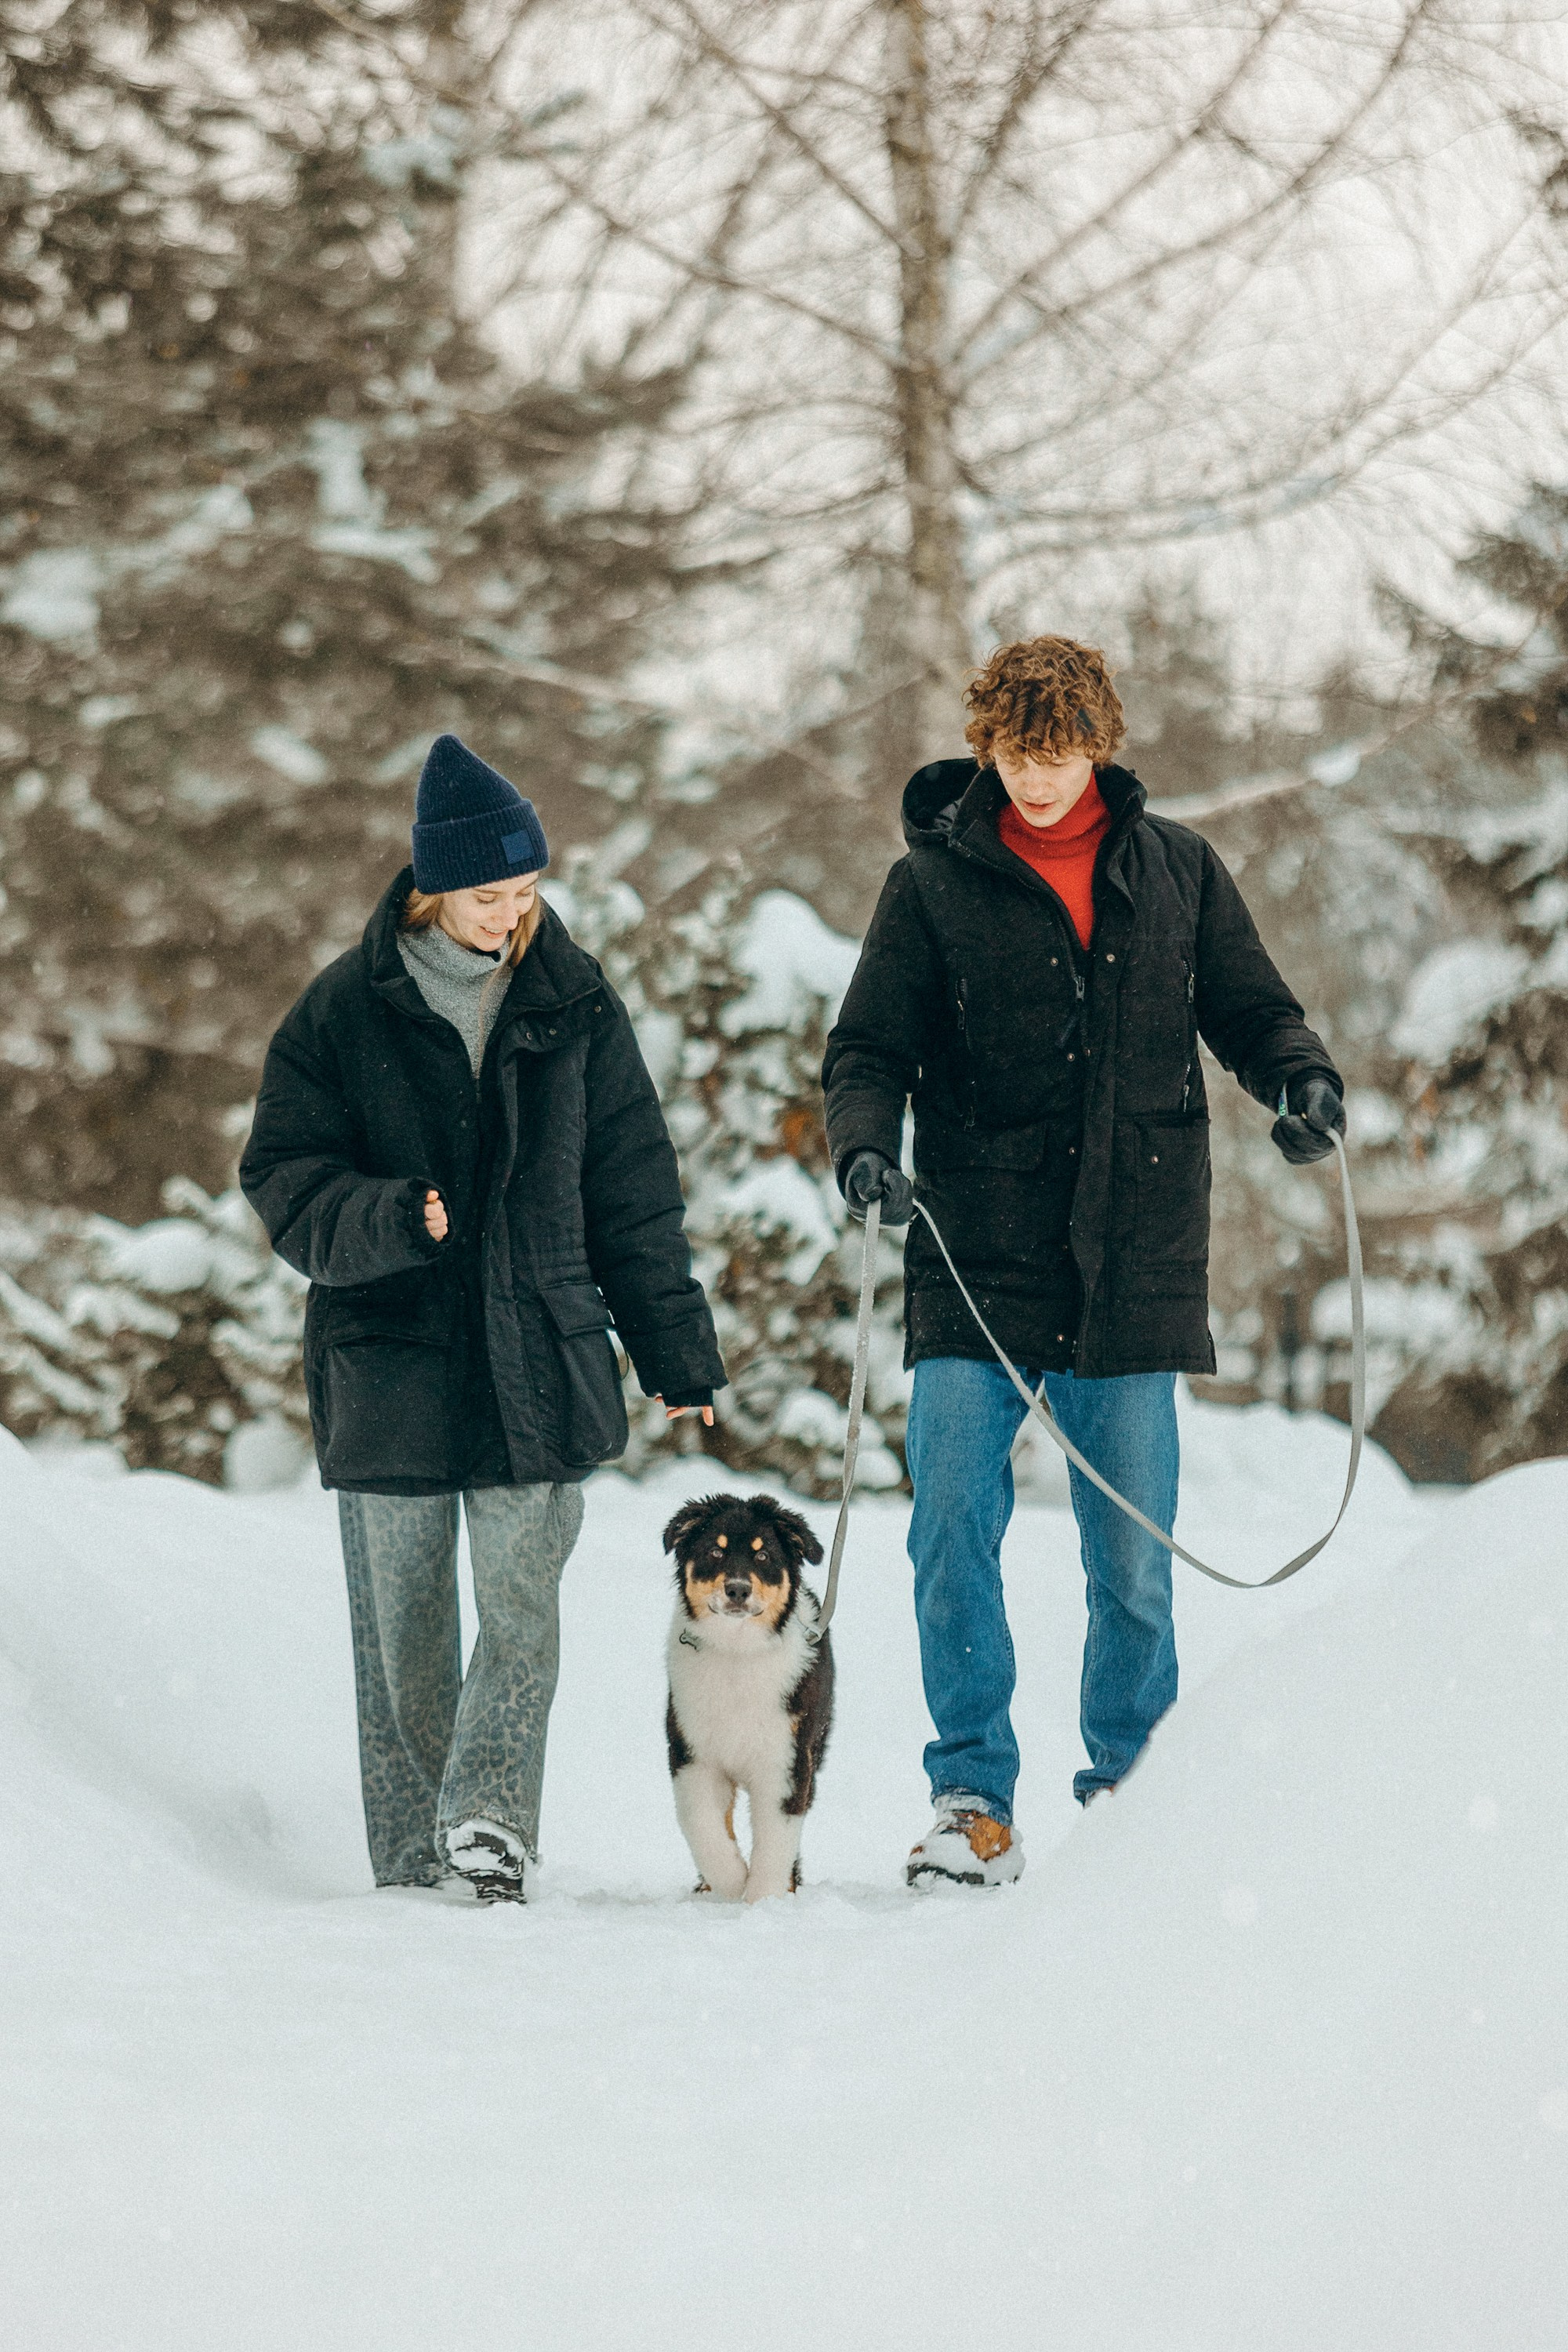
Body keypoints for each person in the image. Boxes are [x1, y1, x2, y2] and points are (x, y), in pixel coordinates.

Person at [822, 637, 1344, 1888]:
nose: (1037, 779)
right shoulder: (934, 882)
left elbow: (1252, 1010)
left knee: (1131, 1557)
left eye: (1057, 755)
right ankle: (972, 1799)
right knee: (950, 1529)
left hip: (1135, 1249)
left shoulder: (1178, 871)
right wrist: (862, 1151)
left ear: (1100, 746)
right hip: (972, 1251)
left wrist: (1302, 1080)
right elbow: (868, 1050)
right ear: (988, 749)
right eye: (1013, 754)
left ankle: (1131, 1793)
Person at [241, 735, 724, 1902]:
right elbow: (285, 1184)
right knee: (403, 1627)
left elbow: (632, 1190)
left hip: (539, 1354)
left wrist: (674, 1349)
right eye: (487, 894)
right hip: (388, 1359)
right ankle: (413, 1860)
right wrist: (395, 1217)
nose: (511, 916)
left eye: (525, 891)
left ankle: (490, 1829)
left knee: (520, 1610)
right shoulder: (343, 1012)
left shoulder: (574, 1001)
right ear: (430, 887)